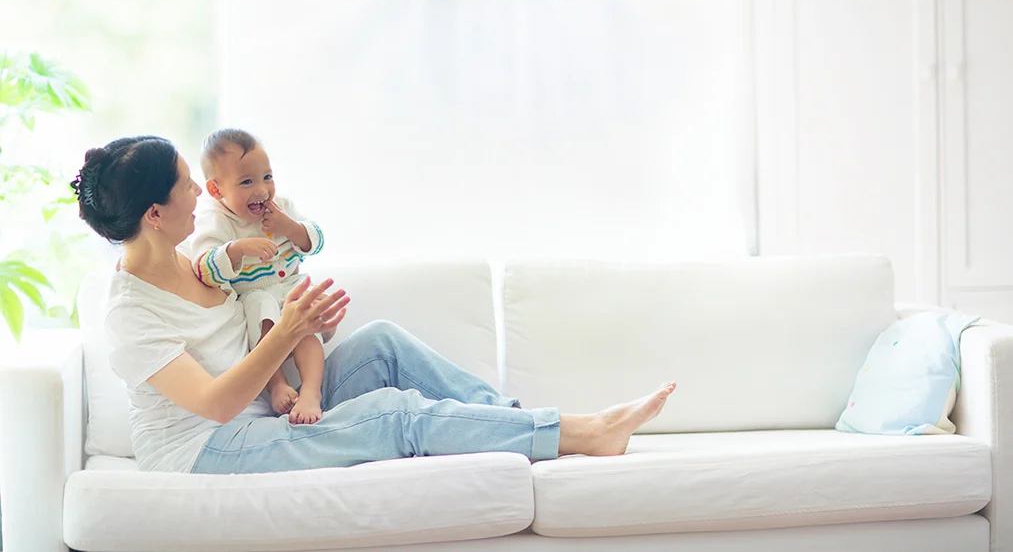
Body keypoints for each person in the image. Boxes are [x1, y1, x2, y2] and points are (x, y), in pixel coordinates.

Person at [71, 135, 676, 474]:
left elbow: (268, 292)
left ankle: (508, 424)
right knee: (394, 414)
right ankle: (586, 433)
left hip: (264, 398)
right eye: (185, 185)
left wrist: (302, 328)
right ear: (155, 213)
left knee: (383, 341)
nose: (201, 194)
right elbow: (215, 403)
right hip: (205, 446)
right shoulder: (130, 312)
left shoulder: (191, 255)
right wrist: (287, 331)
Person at [190, 128, 328, 424]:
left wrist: (290, 228)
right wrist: (236, 250)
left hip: (289, 285)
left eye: (267, 177)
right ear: (216, 190)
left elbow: (317, 240)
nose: (262, 190)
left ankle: (311, 392)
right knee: (260, 311)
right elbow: (202, 267)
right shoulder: (215, 219)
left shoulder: (283, 208)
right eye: (246, 182)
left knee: (304, 317)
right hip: (255, 294)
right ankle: (277, 384)